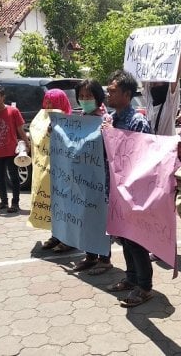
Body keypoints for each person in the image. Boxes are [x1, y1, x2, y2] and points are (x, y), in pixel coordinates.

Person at [104, 70, 154, 308]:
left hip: (133, 191)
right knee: (124, 236)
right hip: (116, 189)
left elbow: (144, 159)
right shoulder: (112, 119)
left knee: (136, 240)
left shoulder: (137, 122)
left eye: (113, 90)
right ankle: (131, 278)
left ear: (126, 94)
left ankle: (144, 287)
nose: (108, 93)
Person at [70, 79, 114, 275]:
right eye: (81, 96)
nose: (85, 100)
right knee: (86, 216)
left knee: (100, 218)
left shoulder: (105, 120)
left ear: (98, 97)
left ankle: (105, 259)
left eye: (89, 96)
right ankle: (90, 256)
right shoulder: (77, 118)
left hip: (100, 178)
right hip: (81, 178)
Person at [0, 84, 30, 214]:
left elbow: (20, 129)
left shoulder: (13, 111)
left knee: (14, 177)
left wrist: (26, 142)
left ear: (3, 97)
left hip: (11, 151)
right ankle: (3, 202)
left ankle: (15, 203)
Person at [39, 89, 76, 253]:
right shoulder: (45, 121)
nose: (48, 106)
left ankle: (69, 239)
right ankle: (57, 235)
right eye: (46, 102)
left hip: (69, 172)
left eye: (51, 103)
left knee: (68, 205)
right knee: (56, 203)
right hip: (53, 169)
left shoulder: (72, 121)